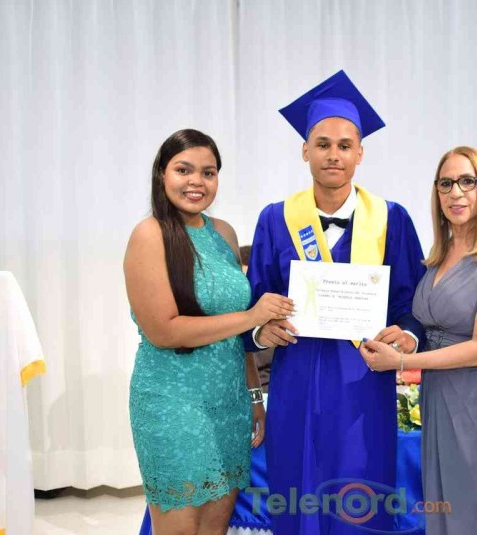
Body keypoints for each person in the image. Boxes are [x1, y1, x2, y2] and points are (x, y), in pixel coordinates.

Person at [243, 70, 426, 534]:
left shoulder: (392, 219)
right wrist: (262, 329)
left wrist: (406, 335)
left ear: (360, 153)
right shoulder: (276, 219)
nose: (333, 154)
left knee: (359, 490)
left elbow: (412, 302)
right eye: (322, 144)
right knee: (297, 484)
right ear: (304, 150)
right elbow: (256, 302)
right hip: (296, 376)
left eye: (345, 145)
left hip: (364, 378)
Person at [360, 146, 477, 534]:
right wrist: (406, 340)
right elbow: (435, 328)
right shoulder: (440, 253)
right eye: (445, 183)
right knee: (450, 510)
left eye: (467, 182)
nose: (455, 192)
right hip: (442, 397)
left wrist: (402, 363)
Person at [124, 129, 294, 535]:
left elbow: (237, 339)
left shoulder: (224, 233)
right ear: (162, 174)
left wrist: (254, 396)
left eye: (208, 172)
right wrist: (252, 316)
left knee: (215, 530)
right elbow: (165, 331)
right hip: (173, 403)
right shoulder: (149, 234)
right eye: (183, 170)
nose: (196, 182)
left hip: (229, 404)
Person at [239, 244, 274, 393]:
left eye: (251, 283)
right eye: (242, 282)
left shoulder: (276, 320)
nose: (248, 290)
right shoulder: (220, 319)